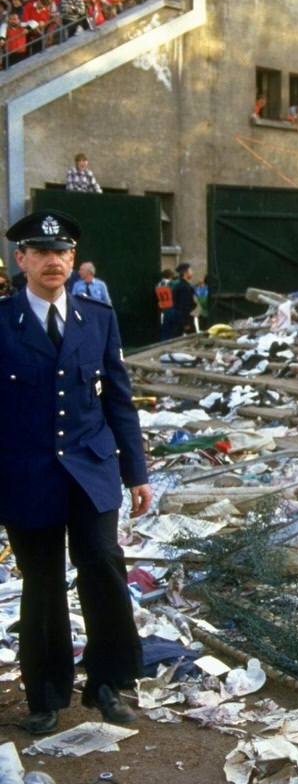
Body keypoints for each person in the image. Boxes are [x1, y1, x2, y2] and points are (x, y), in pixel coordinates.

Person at [1, 209, 152, 735]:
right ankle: (45, 695)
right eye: (41, 253)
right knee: (41, 583)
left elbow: (120, 400)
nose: (53, 262)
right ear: (20, 260)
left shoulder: (98, 317)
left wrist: (137, 472)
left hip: (90, 469)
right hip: (24, 474)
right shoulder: (3, 320)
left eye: (62, 253)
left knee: (104, 569)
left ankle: (110, 685)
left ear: (73, 260)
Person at [159, 261, 195, 339]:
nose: (192, 272)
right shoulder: (185, 287)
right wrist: (186, 323)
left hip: (173, 317)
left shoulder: (177, 285)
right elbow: (184, 306)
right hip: (180, 319)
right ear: (186, 273)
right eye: (190, 270)